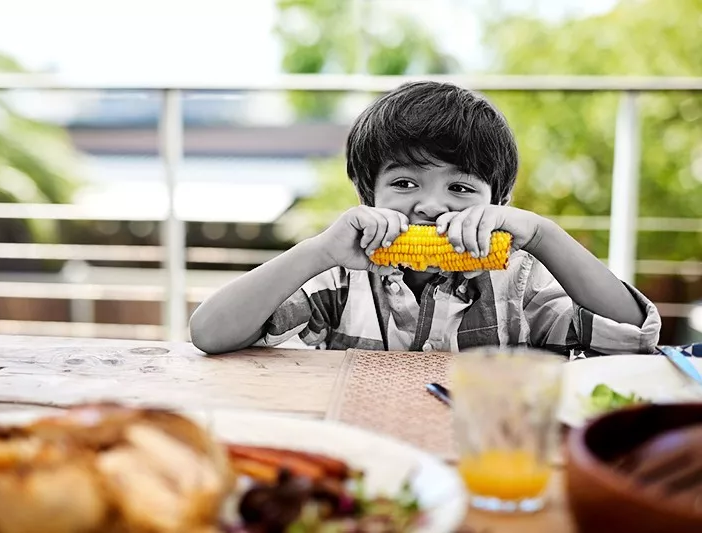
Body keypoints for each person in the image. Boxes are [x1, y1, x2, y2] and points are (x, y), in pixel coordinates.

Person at [189, 81, 661, 357]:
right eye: (405, 184)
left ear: (498, 202)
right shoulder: (341, 277)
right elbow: (210, 333)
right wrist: (315, 251)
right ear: (366, 194)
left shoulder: (519, 280)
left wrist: (542, 234)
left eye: (460, 188)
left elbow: (630, 338)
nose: (432, 207)